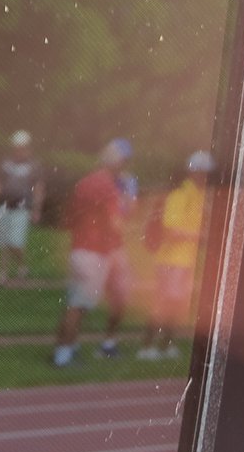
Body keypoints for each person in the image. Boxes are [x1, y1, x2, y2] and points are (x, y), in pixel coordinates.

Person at [52, 139, 134, 367]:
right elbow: (115, 222)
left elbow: (69, 217)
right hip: (94, 251)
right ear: (116, 162)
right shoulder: (108, 185)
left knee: (74, 303)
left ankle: (65, 348)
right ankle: (64, 355)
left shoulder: (85, 182)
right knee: (78, 306)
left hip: (79, 248)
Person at [138, 150, 214, 360]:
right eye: (203, 172)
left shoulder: (198, 197)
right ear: (193, 172)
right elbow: (170, 229)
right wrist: (201, 236)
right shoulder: (180, 196)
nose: (205, 177)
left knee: (176, 304)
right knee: (162, 303)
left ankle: (166, 344)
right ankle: (148, 346)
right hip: (171, 259)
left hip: (184, 259)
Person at [0, 129, 45, 285]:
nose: (19, 150)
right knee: (2, 242)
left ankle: (21, 266)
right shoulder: (5, 164)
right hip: (3, 207)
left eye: (22, 147)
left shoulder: (34, 166)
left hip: (22, 209)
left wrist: (36, 209)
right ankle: (2, 274)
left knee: (15, 242)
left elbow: (39, 189)